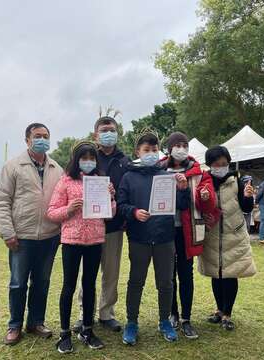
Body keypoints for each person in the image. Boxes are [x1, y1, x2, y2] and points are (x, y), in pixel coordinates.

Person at [117, 130, 190, 345]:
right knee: (136, 281)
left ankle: (164, 321)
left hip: (164, 238)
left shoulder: (168, 177)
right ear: (137, 152)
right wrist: (133, 212)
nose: (151, 153)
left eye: (155, 150)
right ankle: (131, 322)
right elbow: (120, 205)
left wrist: (183, 189)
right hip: (139, 238)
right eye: (146, 150)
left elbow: (182, 205)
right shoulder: (128, 177)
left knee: (166, 283)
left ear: (160, 152)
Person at [0, 123, 63, 346]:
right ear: (27, 140)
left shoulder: (56, 169)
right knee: (18, 283)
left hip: (50, 236)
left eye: (45, 136)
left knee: (42, 282)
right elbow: (1, 201)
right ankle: (14, 326)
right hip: (21, 236)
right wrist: (7, 232)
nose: (42, 139)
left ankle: (35, 322)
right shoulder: (13, 166)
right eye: (37, 136)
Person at [47, 141, 116, 354]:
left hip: (95, 240)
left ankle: (87, 329)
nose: (88, 162)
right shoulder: (66, 181)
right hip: (71, 241)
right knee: (69, 286)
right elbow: (51, 212)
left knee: (90, 285)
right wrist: (69, 209)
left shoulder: (101, 182)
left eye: (92, 158)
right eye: (84, 158)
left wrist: (110, 197)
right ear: (76, 160)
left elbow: (110, 213)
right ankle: (65, 333)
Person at [73, 115, 129, 334]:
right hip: (88, 226)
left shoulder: (124, 161)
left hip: (114, 226)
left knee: (111, 272)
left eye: (112, 129)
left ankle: (106, 313)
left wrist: (125, 217)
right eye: (104, 130)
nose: (109, 133)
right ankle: (82, 314)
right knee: (86, 273)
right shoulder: (87, 158)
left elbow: (128, 192)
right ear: (96, 134)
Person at [195, 146, 256, 331]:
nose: (220, 167)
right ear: (209, 165)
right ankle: (219, 310)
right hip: (212, 236)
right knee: (216, 274)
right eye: (216, 164)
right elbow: (199, 206)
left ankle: (227, 314)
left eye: (224, 164)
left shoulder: (236, 181)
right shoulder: (204, 181)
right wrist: (203, 198)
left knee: (230, 275)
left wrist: (248, 197)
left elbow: (246, 208)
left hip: (233, 235)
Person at [159, 131, 203, 339]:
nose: (181, 148)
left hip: (186, 230)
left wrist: (185, 189)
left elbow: (200, 200)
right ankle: (173, 313)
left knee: (186, 274)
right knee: (168, 275)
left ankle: (186, 318)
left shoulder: (196, 171)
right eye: (177, 145)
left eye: (184, 144)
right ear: (169, 148)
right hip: (164, 230)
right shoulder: (157, 169)